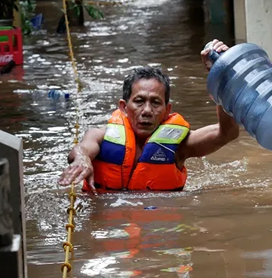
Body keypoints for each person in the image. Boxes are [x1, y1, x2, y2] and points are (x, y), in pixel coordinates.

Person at [57, 40, 240, 192]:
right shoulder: (100, 136)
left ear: (167, 110)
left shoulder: (178, 147)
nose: (146, 110)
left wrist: (221, 76)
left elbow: (227, 133)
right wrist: (83, 159)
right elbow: (81, 148)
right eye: (139, 101)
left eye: (155, 102)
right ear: (123, 107)